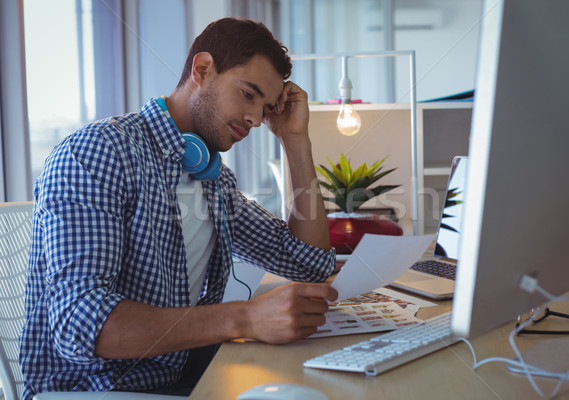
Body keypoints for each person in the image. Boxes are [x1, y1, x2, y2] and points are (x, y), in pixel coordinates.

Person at [19, 17, 337, 399]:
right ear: (202, 69)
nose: (256, 119)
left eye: (266, 107)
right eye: (249, 94)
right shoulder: (99, 153)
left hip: (178, 375)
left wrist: (294, 140)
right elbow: (80, 325)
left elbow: (308, 263)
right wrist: (245, 318)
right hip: (99, 390)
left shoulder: (212, 178)